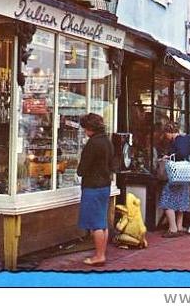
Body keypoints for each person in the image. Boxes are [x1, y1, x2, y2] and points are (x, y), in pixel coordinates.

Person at [77, 113, 115, 266]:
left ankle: (99, 256)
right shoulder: (107, 141)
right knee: (101, 222)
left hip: (92, 186)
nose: (85, 131)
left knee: (95, 224)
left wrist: (80, 170)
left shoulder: (92, 144)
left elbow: (82, 169)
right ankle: (101, 253)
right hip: (105, 185)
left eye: (85, 128)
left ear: (90, 128)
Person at [159, 122, 190, 238]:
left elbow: (180, 153)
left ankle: (173, 229)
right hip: (186, 174)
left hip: (175, 174)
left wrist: (169, 157)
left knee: (167, 200)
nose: (166, 137)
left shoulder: (176, 141)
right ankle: (179, 227)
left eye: (166, 134)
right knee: (181, 200)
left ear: (169, 132)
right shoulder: (188, 138)